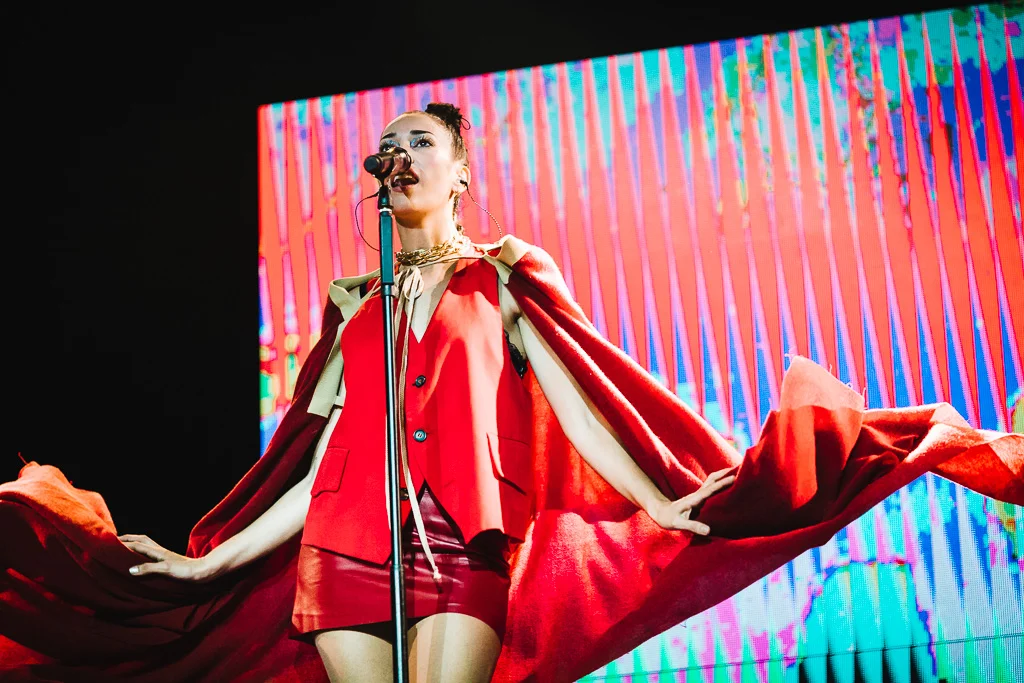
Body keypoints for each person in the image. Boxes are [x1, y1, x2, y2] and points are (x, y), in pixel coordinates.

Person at [1, 104, 1021, 683]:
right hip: (341, 549)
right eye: (391, 146)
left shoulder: (503, 275)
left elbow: (580, 402)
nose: (401, 156)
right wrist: (209, 561)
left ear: (461, 175)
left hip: (461, 541)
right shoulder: (353, 302)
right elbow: (319, 462)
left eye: (422, 143)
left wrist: (661, 499)